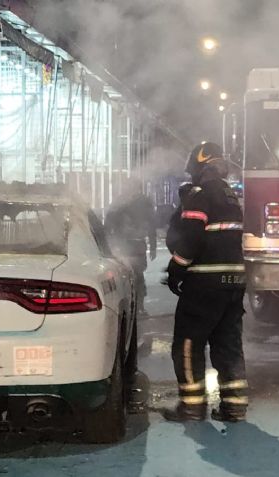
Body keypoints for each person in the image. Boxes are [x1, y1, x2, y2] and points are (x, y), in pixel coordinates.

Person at [163, 141, 248, 422]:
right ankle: (234, 407)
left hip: (204, 284)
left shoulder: (200, 197)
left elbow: (191, 238)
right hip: (233, 283)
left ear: (200, 167)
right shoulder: (230, 197)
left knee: (188, 344)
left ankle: (191, 407)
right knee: (228, 345)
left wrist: (176, 269)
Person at [105, 177, 157, 316]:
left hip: (134, 244)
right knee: (128, 275)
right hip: (124, 244)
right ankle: (133, 305)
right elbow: (109, 222)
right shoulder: (123, 201)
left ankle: (138, 305)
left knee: (136, 275)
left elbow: (151, 224)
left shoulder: (141, 202)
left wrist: (153, 245)